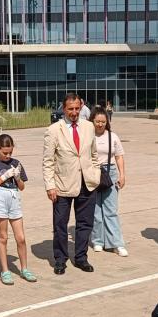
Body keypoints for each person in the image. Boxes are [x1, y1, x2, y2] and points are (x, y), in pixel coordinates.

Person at [42, 94, 100, 275]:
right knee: (60, 224)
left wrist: (95, 174)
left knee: (85, 224)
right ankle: (60, 259)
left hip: (87, 183)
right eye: (70, 109)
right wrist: (50, 186)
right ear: (63, 109)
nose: (74, 112)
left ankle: (81, 257)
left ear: (81, 107)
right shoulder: (53, 130)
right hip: (62, 184)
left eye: (77, 108)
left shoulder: (89, 127)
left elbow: (94, 154)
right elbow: (48, 161)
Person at [0, 134, 34, 285]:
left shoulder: (16, 163)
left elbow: (22, 187)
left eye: (10, 152)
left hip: (14, 199)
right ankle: (5, 271)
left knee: (21, 238)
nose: (8, 155)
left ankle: (24, 269)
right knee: (3, 237)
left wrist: (17, 177)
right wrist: (3, 178)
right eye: (5, 153)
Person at [90, 107, 128, 257]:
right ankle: (98, 240)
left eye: (103, 122)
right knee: (96, 210)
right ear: (92, 121)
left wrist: (122, 175)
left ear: (107, 122)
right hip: (92, 173)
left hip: (110, 172)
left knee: (111, 210)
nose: (100, 124)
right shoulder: (88, 136)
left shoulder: (113, 136)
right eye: (97, 121)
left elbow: (119, 156)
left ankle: (116, 243)